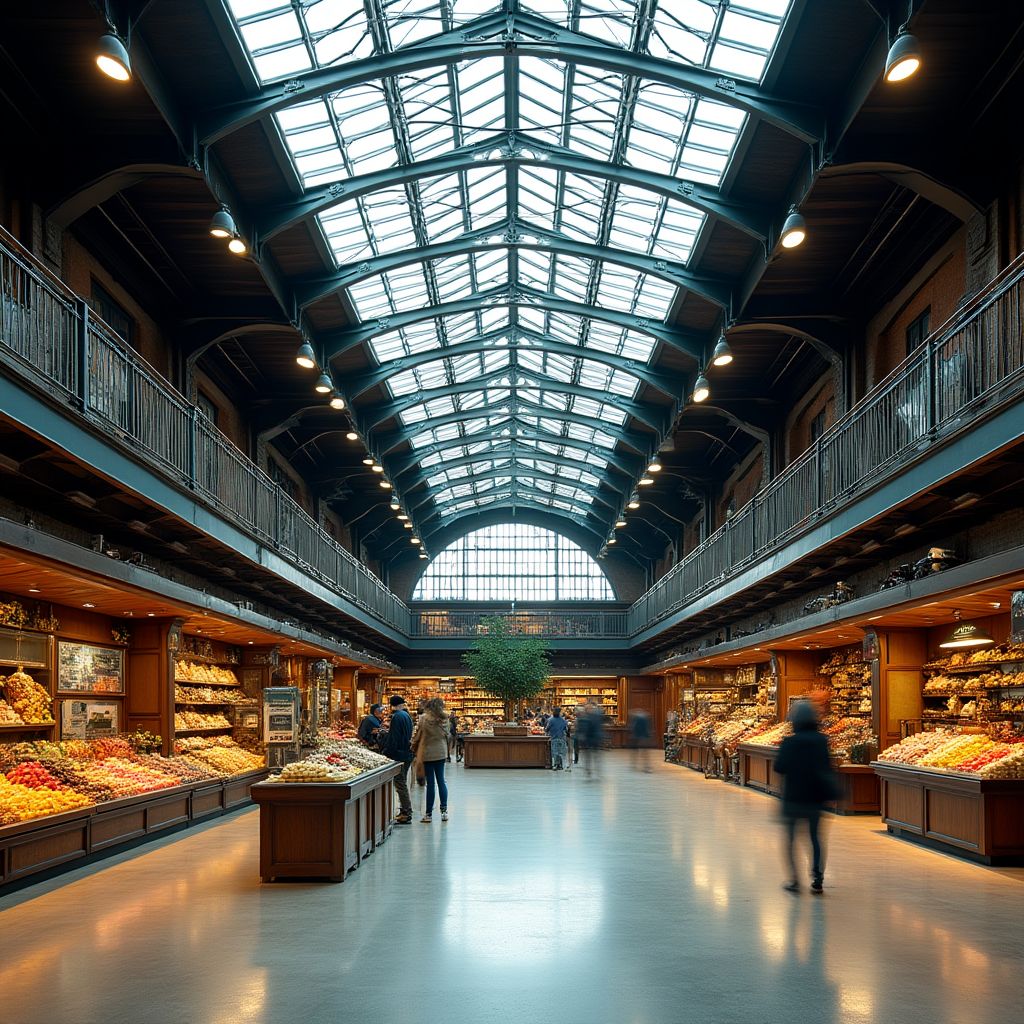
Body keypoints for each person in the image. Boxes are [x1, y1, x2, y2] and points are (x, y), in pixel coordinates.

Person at [773, 700, 837, 894]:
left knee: (791, 840)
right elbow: (827, 766)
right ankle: (817, 877)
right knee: (815, 838)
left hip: (793, 797)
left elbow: (779, 767)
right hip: (815, 797)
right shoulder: (822, 741)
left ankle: (794, 879)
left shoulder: (789, 742)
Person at [412, 697, 449, 823]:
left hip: (428, 753)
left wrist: (413, 745)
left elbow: (418, 735)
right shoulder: (445, 719)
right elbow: (448, 735)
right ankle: (444, 811)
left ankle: (428, 814)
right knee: (441, 781)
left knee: (431, 784)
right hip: (441, 752)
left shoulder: (423, 718)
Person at [379, 695, 414, 824]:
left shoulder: (396, 717)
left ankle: (406, 812)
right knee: (402, 781)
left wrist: (387, 752)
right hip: (407, 752)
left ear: (391, 705)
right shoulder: (406, 716)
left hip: (399, 754)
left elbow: (394, 738)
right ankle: (405, 810)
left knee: (400, 783)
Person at [628, 708, 652, 772]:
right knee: (644, 752)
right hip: (643, 737)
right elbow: (647, 729)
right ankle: (646, 766)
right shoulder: (644, 718)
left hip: (638, 737)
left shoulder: (636, 719)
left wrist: (633, 735)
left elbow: (633, 728)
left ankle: (635, 765)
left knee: (636, 752)